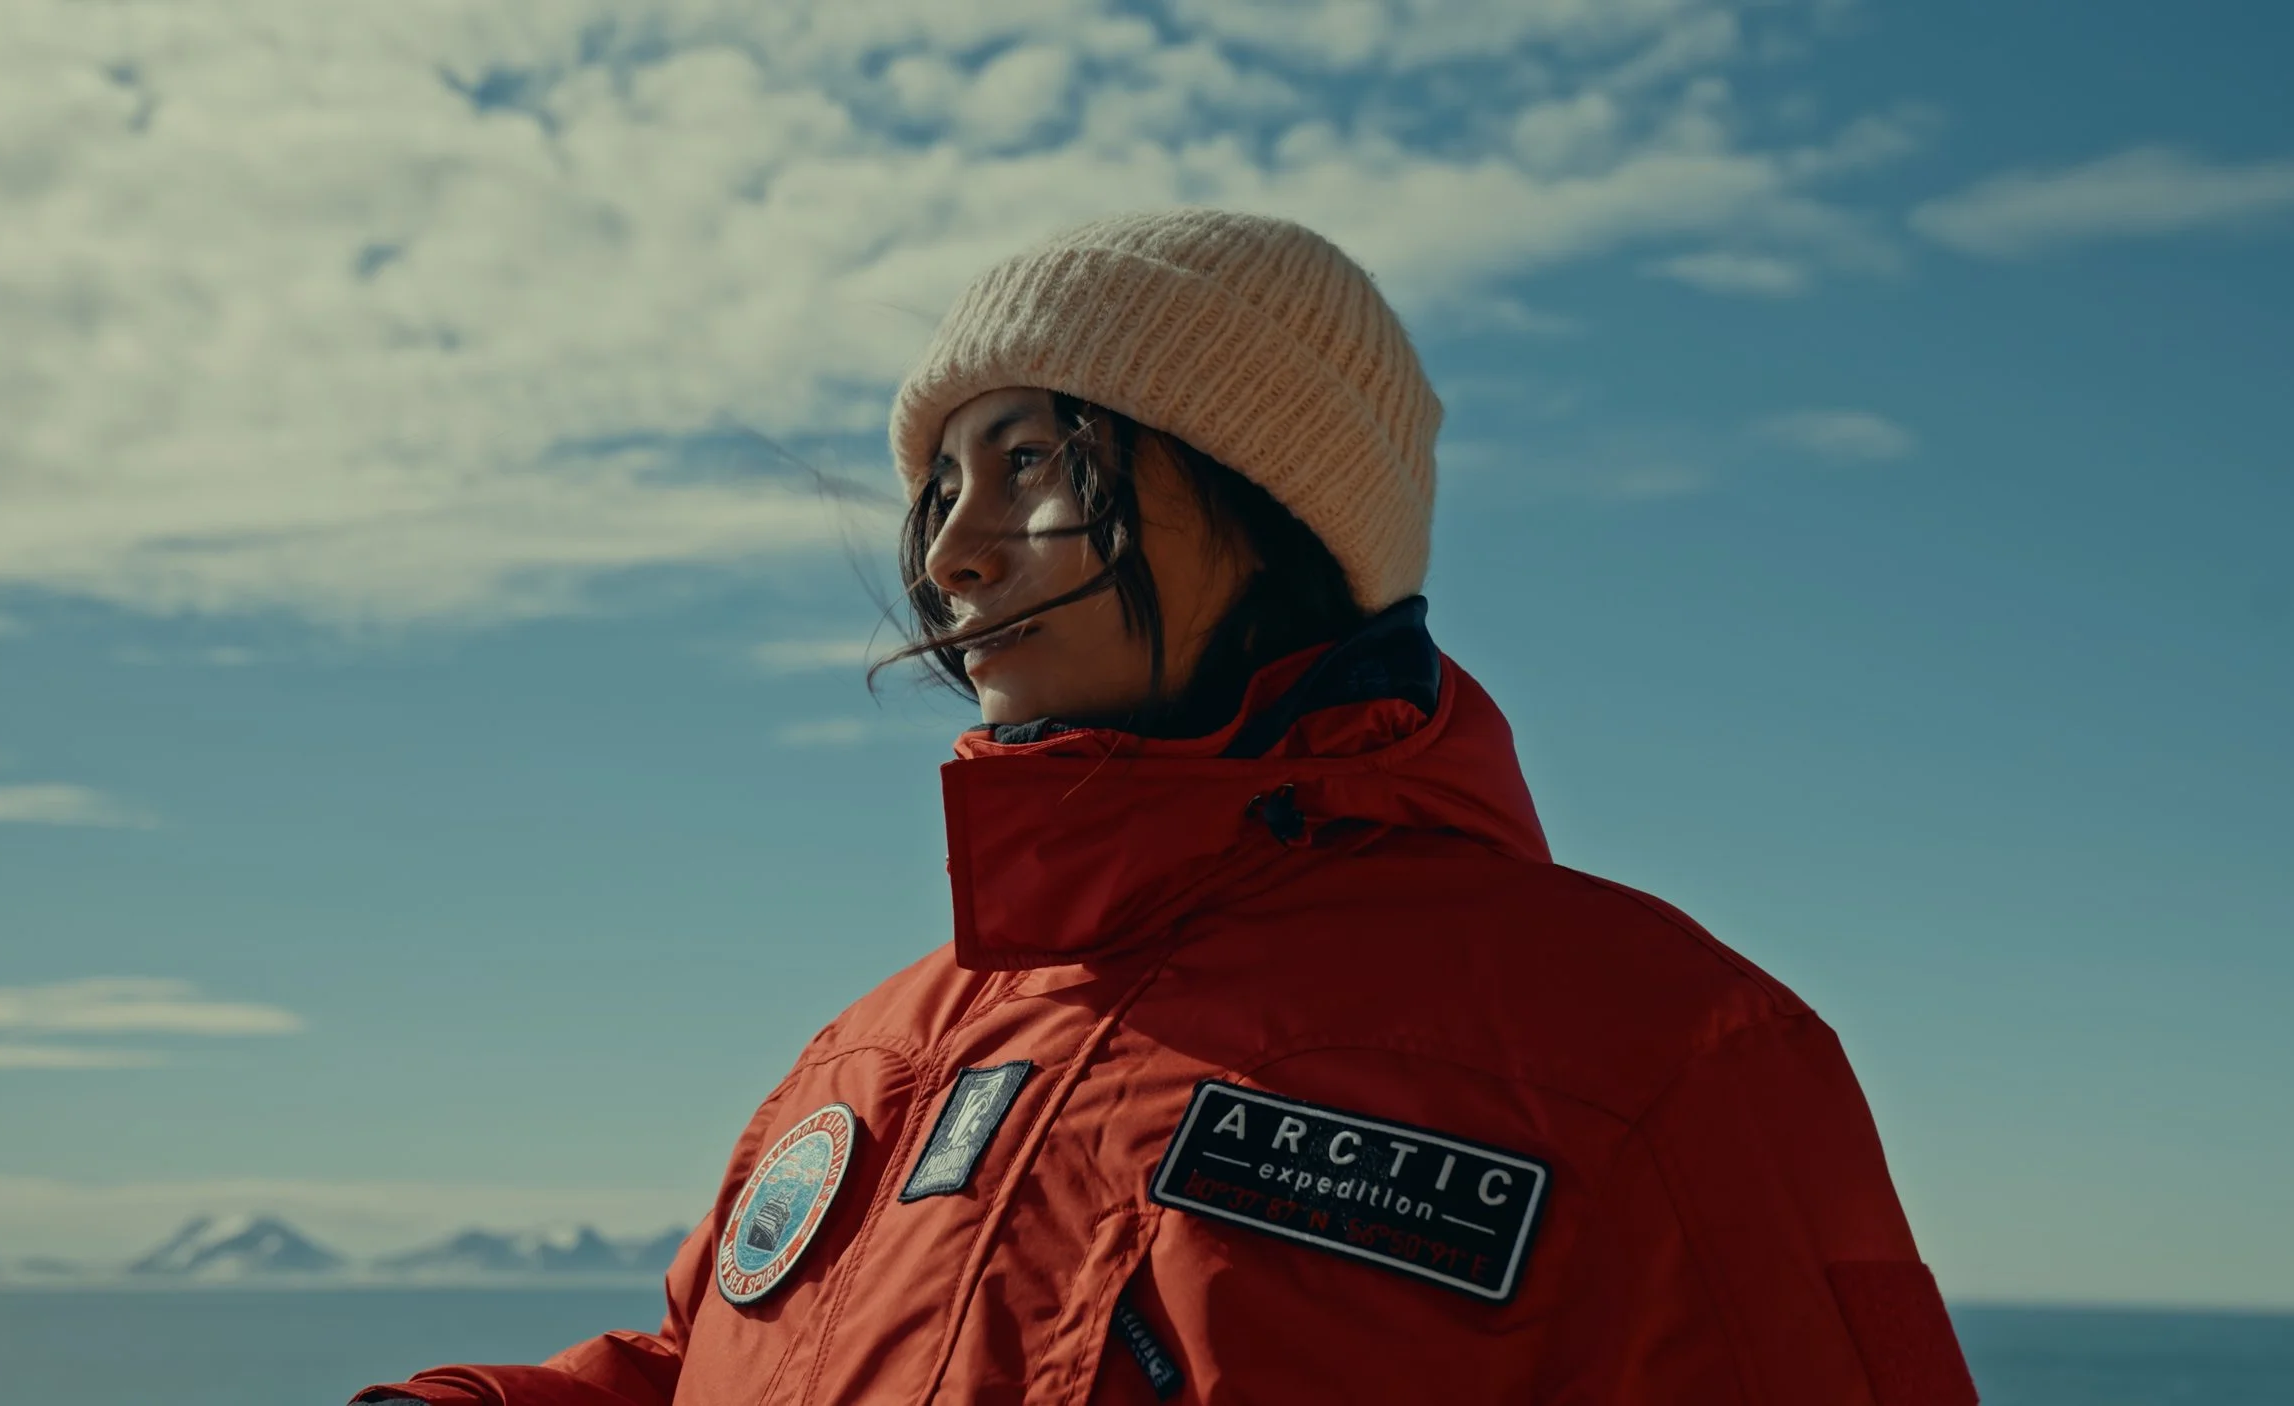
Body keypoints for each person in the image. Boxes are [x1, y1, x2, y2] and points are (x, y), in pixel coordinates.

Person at [354, 209, 1976, 1405]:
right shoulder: (874, 1060)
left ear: (1276, 512)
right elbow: (706, 1368)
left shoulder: (1649, 1052)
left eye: (1042, 463)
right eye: (942, 487)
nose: (952, 554)